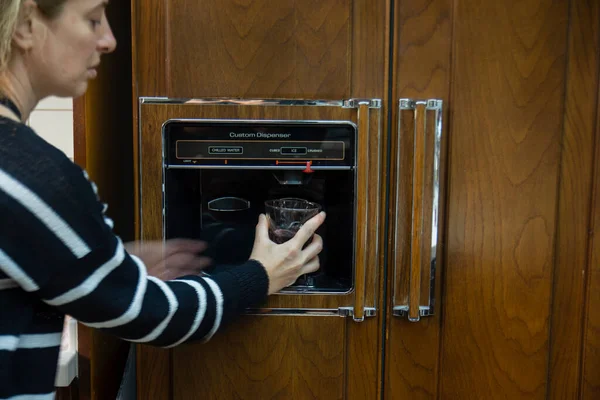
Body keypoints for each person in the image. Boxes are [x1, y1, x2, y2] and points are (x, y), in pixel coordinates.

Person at [0, 0, 326, 398]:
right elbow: (154, 316)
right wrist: (261, 276)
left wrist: (113, 266)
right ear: (27, 25)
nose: (109, 41)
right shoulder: (27, 174)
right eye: (92, 19)